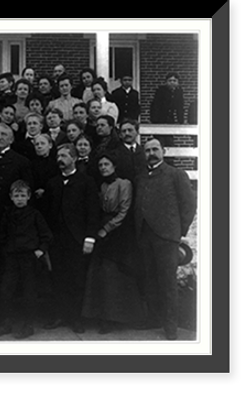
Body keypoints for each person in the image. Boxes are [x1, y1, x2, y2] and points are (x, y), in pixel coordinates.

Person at [134, 138, 196, 340]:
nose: (151, 153)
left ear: (164, 151)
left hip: (166, 237)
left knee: (167, 283)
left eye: (155, 149)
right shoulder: (141, 176)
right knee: (150, 280)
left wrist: (178, 232)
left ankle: (171, 326)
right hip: (145, 235)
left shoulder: (176, 174)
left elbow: (189, 205)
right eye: (148, 150)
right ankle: (154, 318)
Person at [82, 153, 145, 334]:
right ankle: (101, 316)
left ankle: (117, 317)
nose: (103, 167)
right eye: (100, 165)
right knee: (99, 273)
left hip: (119, 232)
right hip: (102, 228)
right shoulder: (101, 185)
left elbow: (124, 211)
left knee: (115, 274)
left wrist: (106, 229)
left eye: (107, 164)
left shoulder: (124, 184)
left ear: (114, 166)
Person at [41, 143, 100, 333]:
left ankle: (76, 318)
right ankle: (60, 315)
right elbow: (47, 214)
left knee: (76, 280)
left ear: (74, 158)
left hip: (78, 240)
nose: (60, 159)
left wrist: (89, 238)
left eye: (65, 156)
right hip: (57, 241)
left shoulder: (86, 182)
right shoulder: (52, 183)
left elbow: (93, 212)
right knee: (58, 279)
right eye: (58, 156)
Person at [0, 180, 53, 339]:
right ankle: (7, 322)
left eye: (22, 196)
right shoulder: (8, 214)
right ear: (11, 197)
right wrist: (5, 251)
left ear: (28, 197)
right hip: (12, 258)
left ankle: (28, 325)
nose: (19, 199)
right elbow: (2, 235)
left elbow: (46, 236)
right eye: (16, 195)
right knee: (6, 290)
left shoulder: (34, 215)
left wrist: (40, 250)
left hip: (29, 258)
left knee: (29, 292)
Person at [110, 118, 148, 185]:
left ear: (137, 132)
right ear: (120, 135)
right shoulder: (114, 153)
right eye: (124, 131)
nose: (127, 133)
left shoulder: (144, 152)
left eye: (130, 130)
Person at [31, 133, 59, 208]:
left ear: (50, 145)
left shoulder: (56, 164)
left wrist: (45, 190)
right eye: (37, 144)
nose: (39, 146)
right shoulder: (30, 164)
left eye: (42, 143)